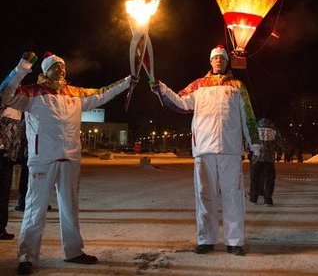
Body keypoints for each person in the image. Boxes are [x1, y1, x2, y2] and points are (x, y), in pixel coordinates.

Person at [0, 51, 135, 275]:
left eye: (62, 66)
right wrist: (22, 68)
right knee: (35, 209)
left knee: (70, 208)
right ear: (45, 70)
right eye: (55, 66)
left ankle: (73, 251)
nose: (61, 70)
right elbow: (5, 94)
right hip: (42, 159)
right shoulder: (32, 93)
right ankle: (27, 256)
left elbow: (103, 94)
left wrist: (127, 82)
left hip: (70, 158)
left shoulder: (75, 93)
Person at [149, 45, 259, 256]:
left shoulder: (237, 86)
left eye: (222, 58)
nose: (218, 61)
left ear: (227, 62)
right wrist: (161, 88)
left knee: (233, 196)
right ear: (210, 62)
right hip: (204, 148)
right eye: (215, 58)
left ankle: (234, 240)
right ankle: (206, 239)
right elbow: (180, 102)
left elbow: (248, 116)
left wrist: (254, 143)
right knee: (204, 195)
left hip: (230, 149)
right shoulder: (199, 86)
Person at [0, 105, 23, 240]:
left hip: (9, 156)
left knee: (4, 194)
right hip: (2, 153)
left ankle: (1, 229)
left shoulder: (18, 108)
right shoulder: (4, 105)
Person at [249, 117, 283, 206]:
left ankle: (253, 199)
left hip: (256, 157)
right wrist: (279, 154)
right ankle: (268, 200)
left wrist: (248, 152)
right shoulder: (273, 129)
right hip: (269, 158)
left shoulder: (255, 129)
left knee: (254, 178)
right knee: (269, 178)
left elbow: (249, 141)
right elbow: (279, 143)